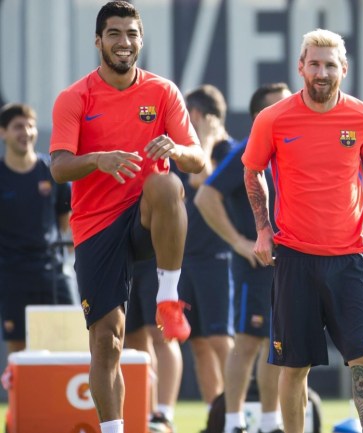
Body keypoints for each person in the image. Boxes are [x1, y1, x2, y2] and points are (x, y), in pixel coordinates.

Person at [49, 2, 204, 433]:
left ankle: (169, 299)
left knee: (168, 183)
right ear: (98, 41)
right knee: (106, 340)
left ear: (141, 39)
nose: (124, 42)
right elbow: (59, 167)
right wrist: (98, 159)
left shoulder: (162, 92)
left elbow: (197, 159)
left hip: (144, 216)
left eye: (132, 33)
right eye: (114, 33)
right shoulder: (75, 97)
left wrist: (174, 149)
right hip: (96, 225)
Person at [242, 29, 363, 433]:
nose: (321, 72)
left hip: (352, 258)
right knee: (294, 365)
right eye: (314, 63)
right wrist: (262, 229)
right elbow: (252, 170)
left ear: (344, 68)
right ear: (300, 67)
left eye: (330, 64)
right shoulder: (273, 118)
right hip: (295, 258)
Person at [195, 83, 292, 433]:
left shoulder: (293, 149)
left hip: (289, 264)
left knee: (277, 343)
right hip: (255, 267)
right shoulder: (246, 152)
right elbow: (205, 196)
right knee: (247, 343)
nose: (290, 110)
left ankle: (269, 422)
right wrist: (238, 242)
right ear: (258, 117)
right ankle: (233, 423)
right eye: (279, 107)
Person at [0, 103, 74, 353]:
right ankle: (21, 395)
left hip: (53, 273)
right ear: (3, 132)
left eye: (30, 126)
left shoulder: (51, 171)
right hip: (12, 275)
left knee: (67, 342)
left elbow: (64, 220)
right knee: (19, 348)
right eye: (18, 126)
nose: (26, 132)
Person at [180, 84, 235, 409]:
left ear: (197, 115)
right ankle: (215, 416)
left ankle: (236, 413)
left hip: (218, 258)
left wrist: (209, 140)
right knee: (198, 342)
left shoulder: (227, 150)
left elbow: (205, 182)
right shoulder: (189, 153)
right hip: (189, 259)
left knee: (219, 339)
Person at [125, 257, 183, 433]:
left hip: (156, 256)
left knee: (161, 334)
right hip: (123, 256)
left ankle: (164, 414)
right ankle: (148, 414)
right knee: (133, 336)